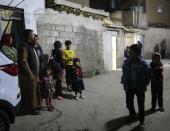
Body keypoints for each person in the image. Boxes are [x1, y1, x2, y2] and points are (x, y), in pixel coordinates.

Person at [121, 44, 150, 127]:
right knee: (129, 103)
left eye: (131, 52)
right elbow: (124, 70)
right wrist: (124, 80)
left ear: (137, 53)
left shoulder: (143, 64)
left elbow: (148, 75)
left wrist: (145, 84)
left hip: (139, 87)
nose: (129, 53)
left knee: (141, 105)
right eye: (130, 52)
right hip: (129, 86)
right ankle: (132, 115)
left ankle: (141, 121)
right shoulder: (127, 62)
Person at [18, 29, 41, 115]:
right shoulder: (24, 46)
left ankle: (35, 106)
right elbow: (24, 61)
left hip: (34, 73)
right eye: (33, 35)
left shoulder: (31, 46)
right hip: (28, 74)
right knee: (30, 92)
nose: (35, 36)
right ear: (28, 36)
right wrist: (30, 73)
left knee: (34, 91)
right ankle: (31, 109)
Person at [33, 34, 44, 110]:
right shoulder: (31, 47)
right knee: (35, 87)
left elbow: (42, 57)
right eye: (35, 39)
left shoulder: (39, 47)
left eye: (37, 39)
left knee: (40, 85)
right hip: (34, 70)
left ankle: (40, 100)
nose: (36, 40)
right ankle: (36, 103)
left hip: (40, 69)